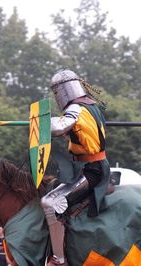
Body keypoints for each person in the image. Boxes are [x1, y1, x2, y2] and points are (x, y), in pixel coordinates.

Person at [41, 69, 110, 265]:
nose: (57, 97)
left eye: (57, 93)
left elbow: (58, 127)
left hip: (91, 170)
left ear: (62, 91)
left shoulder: (77, 109)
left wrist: (40, 122)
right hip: (86, 166)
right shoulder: (92, 106)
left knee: (49, 202)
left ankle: (60, 259)